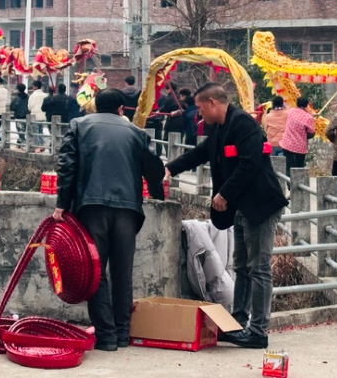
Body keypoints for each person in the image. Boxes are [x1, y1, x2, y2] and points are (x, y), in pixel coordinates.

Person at [164, 83, 288, 350]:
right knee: (241, 266)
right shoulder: (220, 127)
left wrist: (224, 194)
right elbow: (201, 153)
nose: (198, 115)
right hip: (243, 205)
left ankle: (258, 330)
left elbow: (250, 163)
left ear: (212, 103)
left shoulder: (243, 124)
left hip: (261, 205)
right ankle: (239, 323)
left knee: (259, 268)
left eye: (199, 108)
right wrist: (169, 168)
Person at [53, 87, 165, 351]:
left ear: (95, 106)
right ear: (121, 109)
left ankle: (106, 336)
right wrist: (158, 195)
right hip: (128, 209)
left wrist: (61, 204)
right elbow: (155, 169)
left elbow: (67, 166)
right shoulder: (137, 133)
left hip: (91, 207)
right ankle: (123, 334)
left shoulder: (79, 126)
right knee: (122, 271)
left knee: (95, 271)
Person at [280, 96, 315, 172]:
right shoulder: (308, 117)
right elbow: (311, 133)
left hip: (287, 144)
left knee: (289, 167)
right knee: (299, 169)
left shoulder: (291, 111)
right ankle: (298, 183)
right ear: (307, 105)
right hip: (300, 147)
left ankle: (290, 183)